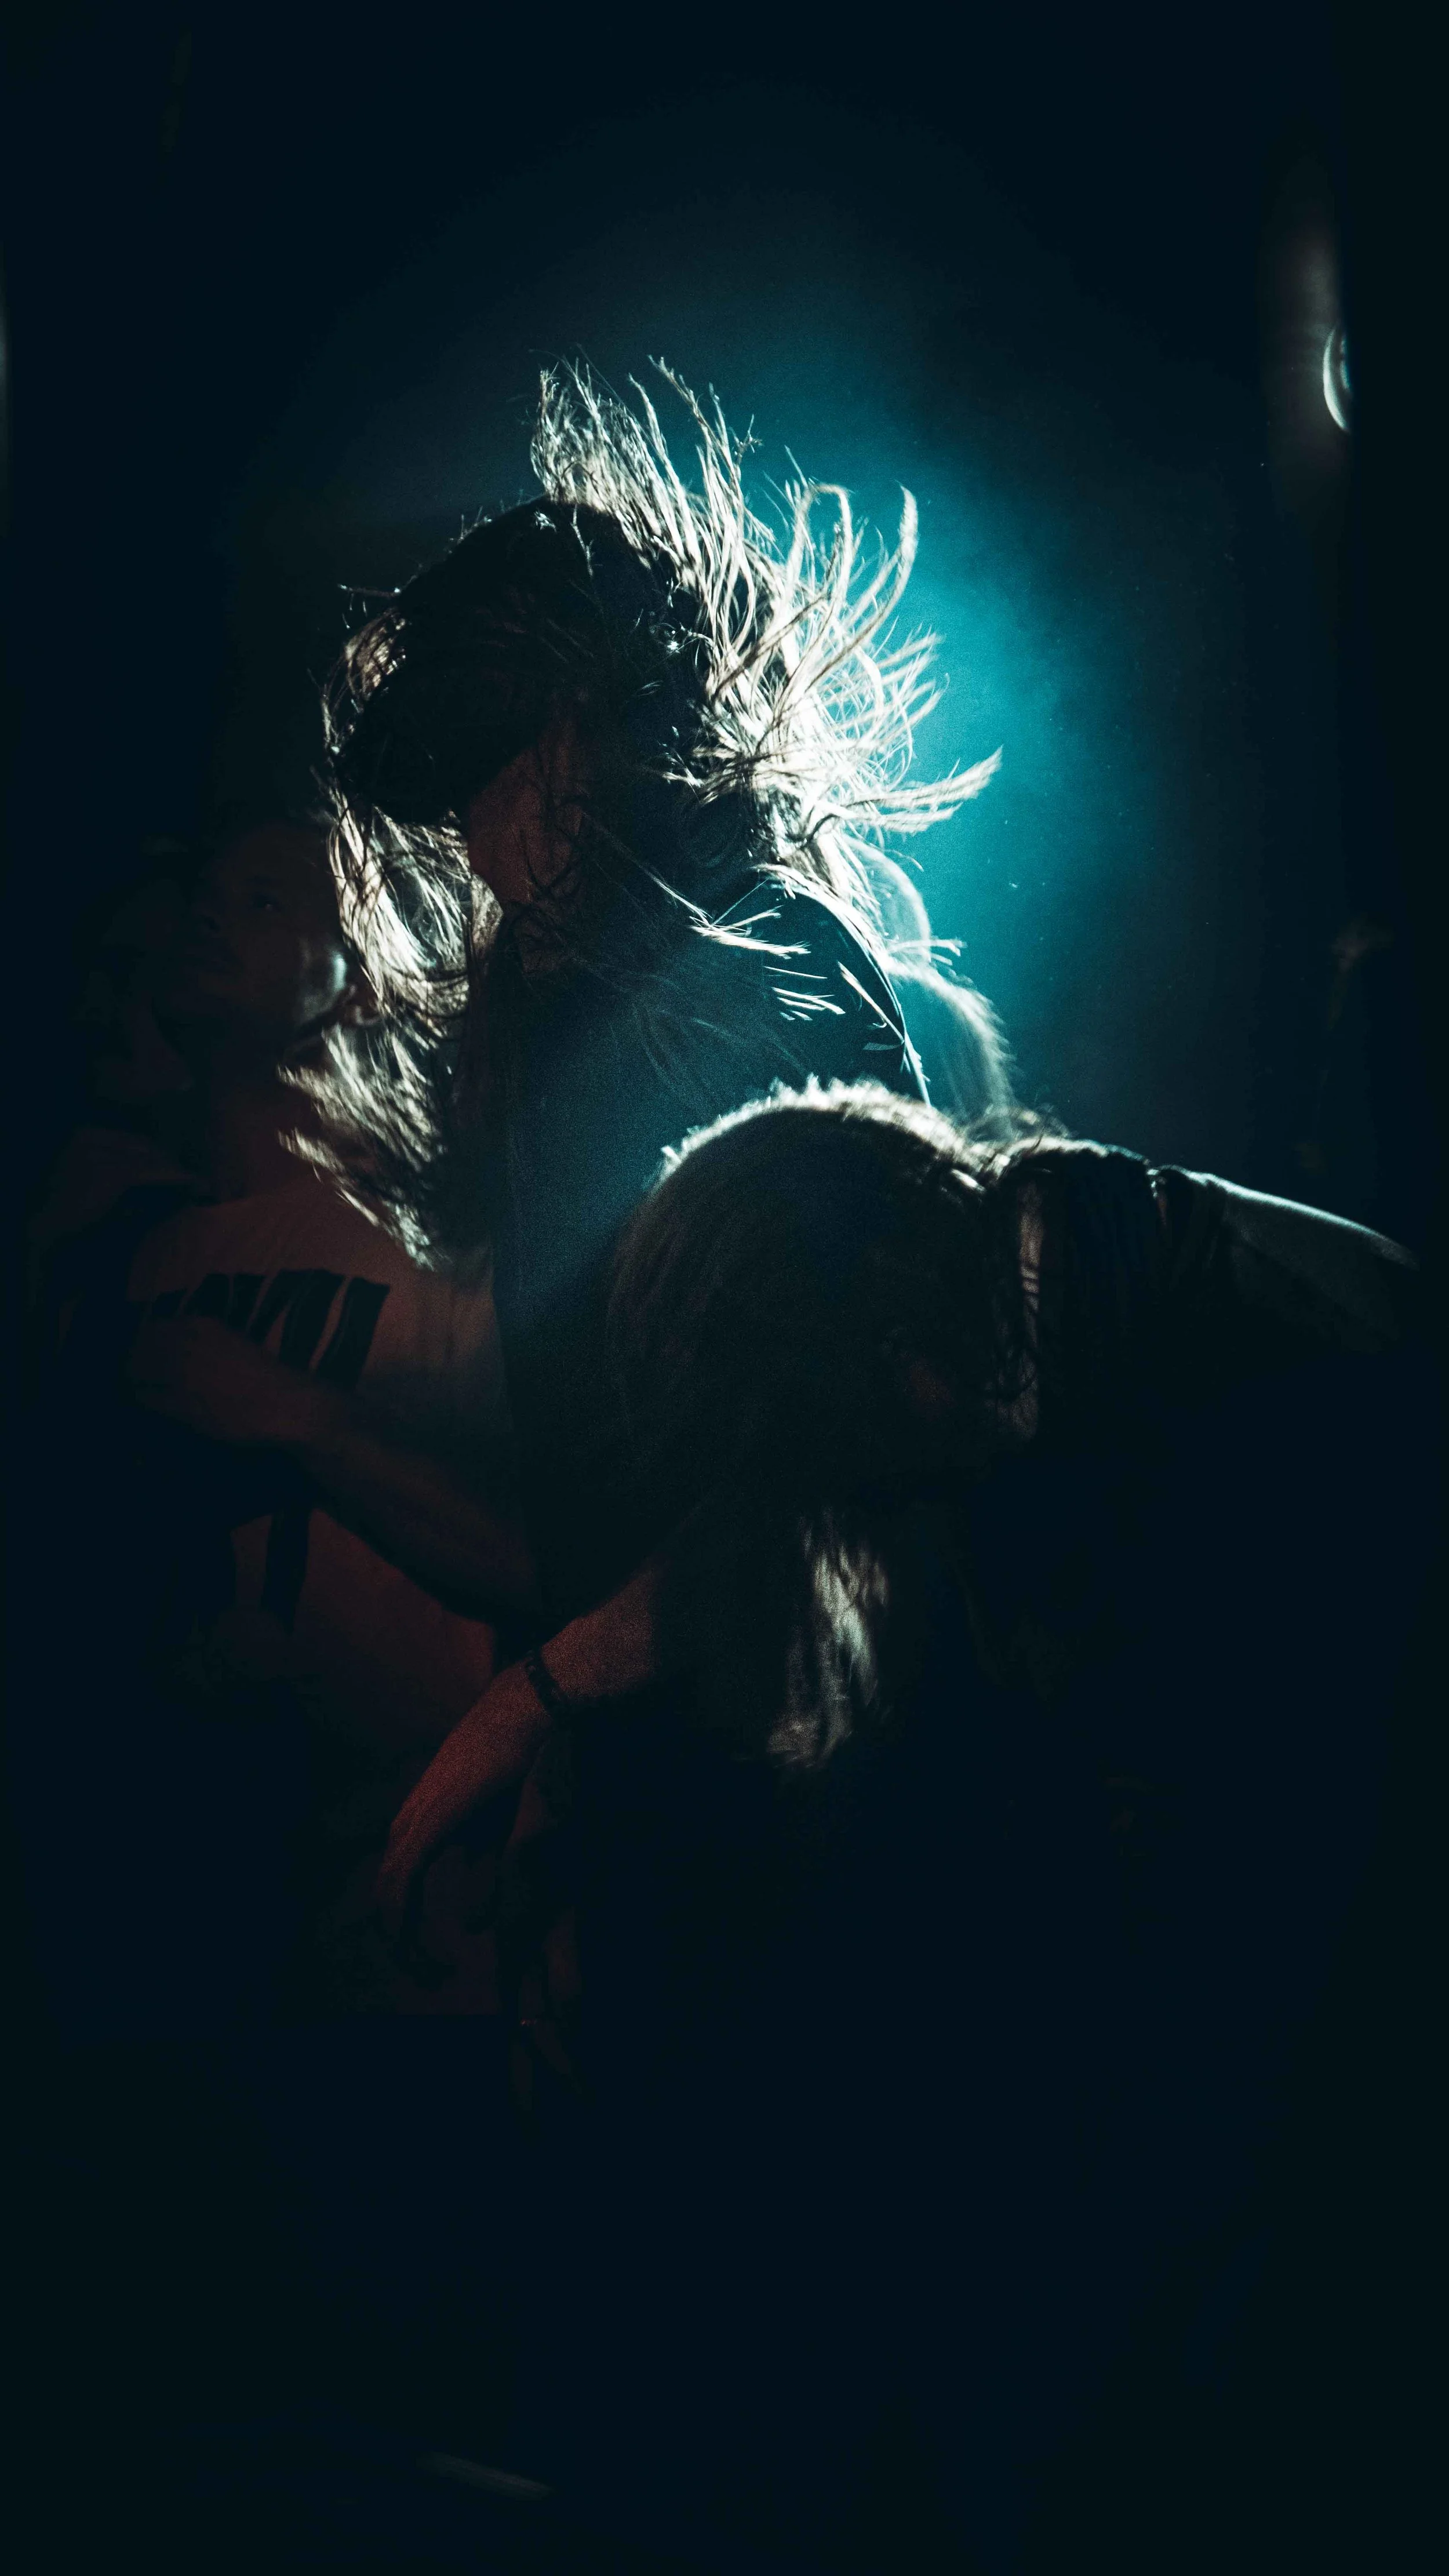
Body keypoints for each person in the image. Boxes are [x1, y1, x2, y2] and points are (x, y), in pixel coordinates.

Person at [373, 1083, 1431, 2567]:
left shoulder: (1197, 1329)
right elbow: (766, 1530)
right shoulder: (992, 1312)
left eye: (842, 1417)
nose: (860, 1469)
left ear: (886, 1343)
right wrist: (533, 1710)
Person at [318, 363, 1002, 1629]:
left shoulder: (763, 957)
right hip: (663, 1720)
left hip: (807, 1721)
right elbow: (581, 1479)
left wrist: (565, 1687)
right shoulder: (533, 1023)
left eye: (494, 757)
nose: (476, 829)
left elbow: (862, 1441)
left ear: (591, 727)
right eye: (456, 784)